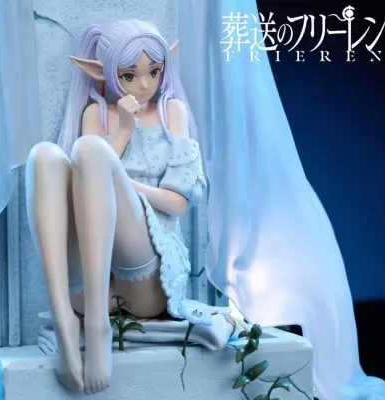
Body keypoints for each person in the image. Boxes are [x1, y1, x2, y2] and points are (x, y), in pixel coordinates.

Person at [25, 19, 242, 395]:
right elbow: (86, 181)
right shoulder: (96, 115)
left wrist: (123, 184)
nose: (144, 85)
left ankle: (97, 329)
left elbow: (177, 204)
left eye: (154, 72)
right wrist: (123, 129)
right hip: (92, 284)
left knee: (90, 150)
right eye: (129, 75)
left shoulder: (171, 112)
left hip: (147, 279)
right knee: (44, 156)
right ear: (104, 74)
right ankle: (64, 321)